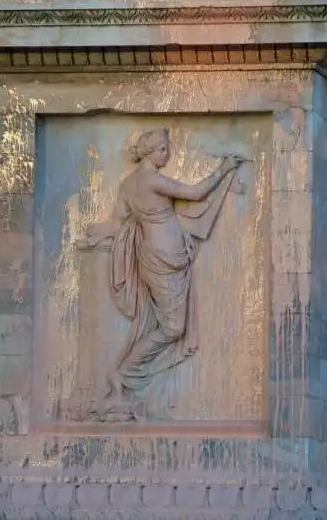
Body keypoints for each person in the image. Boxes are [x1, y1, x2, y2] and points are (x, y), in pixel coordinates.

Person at [78, 128, 246, 420]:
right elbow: (195, 193)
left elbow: (118, 222)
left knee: (170, 324)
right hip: (163, 258)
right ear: (153, 152)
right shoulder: (152, 180)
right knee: (173, 327)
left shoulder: (128, 185)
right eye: (165, 150)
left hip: (156, 255)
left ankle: (126, 374)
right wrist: (224, 168)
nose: (168, 154)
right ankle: (123, 373)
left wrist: (96, 236)